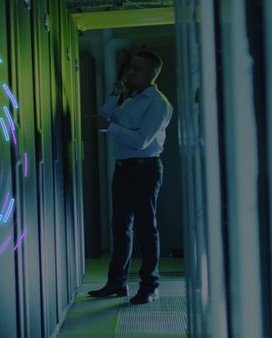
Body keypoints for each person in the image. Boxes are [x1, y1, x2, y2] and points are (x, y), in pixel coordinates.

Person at [88, 49, 173, 304]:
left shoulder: (158, 103)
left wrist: (109, 127)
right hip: (124, 169)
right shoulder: (130, 99)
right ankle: (116, 283)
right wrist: (114, 97)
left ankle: (149, 286)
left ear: (151, 74)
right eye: (130, 68)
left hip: (145, 169)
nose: (129, 72)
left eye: (136, 69)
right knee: (121, 227)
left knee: (147, 229)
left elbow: (140, 140)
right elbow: (106, 116)